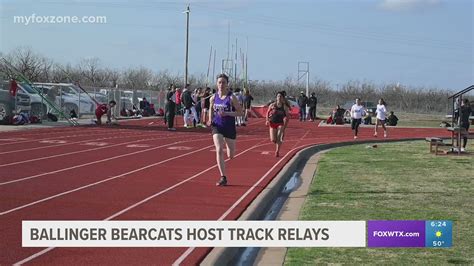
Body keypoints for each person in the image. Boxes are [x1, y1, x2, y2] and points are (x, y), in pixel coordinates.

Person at [207, 73, 243, 186]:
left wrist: (227, 113)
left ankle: (229, 146)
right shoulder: (213, 97)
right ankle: (223, 177)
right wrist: (209, 119)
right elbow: (210, 109)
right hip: (217, 126)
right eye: (219, 82)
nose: (221, 84)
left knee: (231, 155)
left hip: (229, 128)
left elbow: (240, 112)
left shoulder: (231, 97)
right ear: (216, 84)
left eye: (223, 82)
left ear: (227, 84)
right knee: (218, 149)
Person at [266, 91, 289, 157]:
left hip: (280, 123)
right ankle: (278, 142)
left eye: (280, 96)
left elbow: (287, 117)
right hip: (272, 123)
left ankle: (277, 151)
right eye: (278, 96)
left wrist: (285, 126)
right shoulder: (272, 105)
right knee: (273, 140)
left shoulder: (284, 107)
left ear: (282, 98)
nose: (279, 97)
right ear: (276, 97)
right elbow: (267, 112)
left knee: (278, 138)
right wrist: (267, 120)